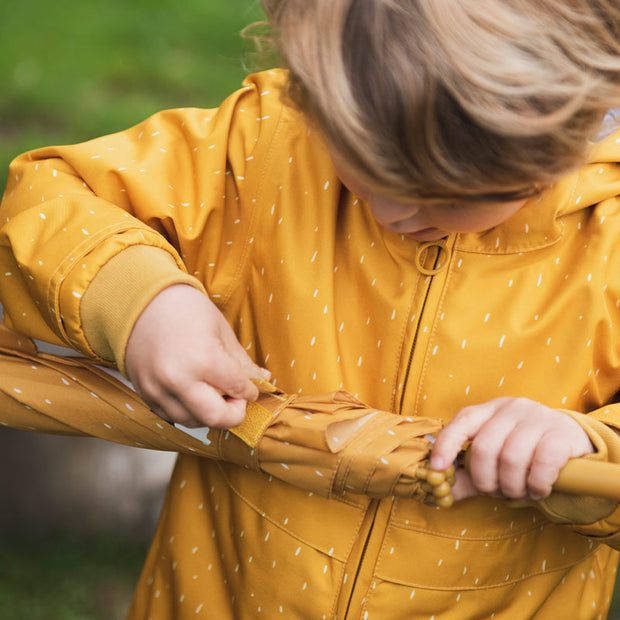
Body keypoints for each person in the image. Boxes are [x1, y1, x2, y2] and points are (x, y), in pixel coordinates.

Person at [1, 0, 620, 617]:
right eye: (362, 165)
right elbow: (51, 200)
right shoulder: (272, 145)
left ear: (558, 141)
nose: (389, 211)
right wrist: (144, 302)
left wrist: (589, 445)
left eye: (442, 195)